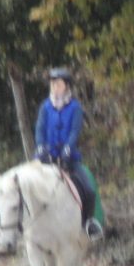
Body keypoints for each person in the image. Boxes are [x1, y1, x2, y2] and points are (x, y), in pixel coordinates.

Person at [34, 67, 103, 241]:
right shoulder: (45, 107)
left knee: (89, 190)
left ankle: (88, 222)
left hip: (68, 157)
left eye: (58, 84)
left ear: (67, 86)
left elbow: (74, 131)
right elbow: (39, 129)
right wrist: (41, 147)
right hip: (46, 157)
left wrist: (67, 149)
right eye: (53, 84)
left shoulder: (75, 107)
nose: (55, 87)